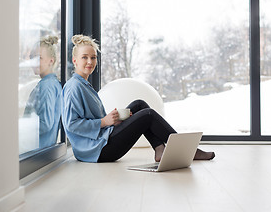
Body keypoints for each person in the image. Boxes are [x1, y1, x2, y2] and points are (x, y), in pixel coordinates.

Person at [62, 34, 215, 163]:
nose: (90, 62)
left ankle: (159, 148)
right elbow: (71, 125)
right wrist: (104, 121)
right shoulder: (74, 87)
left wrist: (113, 120)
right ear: (75, 61)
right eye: (84, 57)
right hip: (98, 150)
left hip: (101, 140)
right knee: (147, 115)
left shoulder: (84, 84)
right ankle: (188, 151)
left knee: (140, 105)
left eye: (93, 57)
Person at [24, 35, 62, 149]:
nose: (33, 62)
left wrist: (21, 128)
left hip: (37, 150)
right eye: (32, 57)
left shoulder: (47, 86)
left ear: (51, 61)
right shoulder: (53, 84)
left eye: (38, 58)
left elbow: (46, 124)